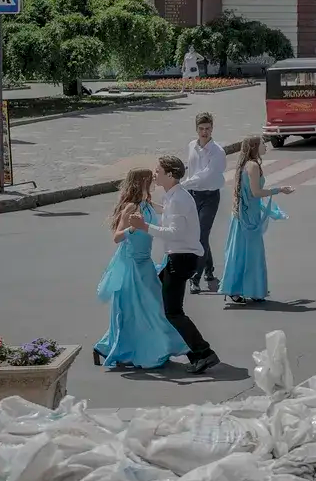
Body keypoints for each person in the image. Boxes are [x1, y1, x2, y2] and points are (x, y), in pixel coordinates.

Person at [93, 169, 188, 372]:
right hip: (133, 264)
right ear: (141, 183)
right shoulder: (131, 207)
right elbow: (117, 237)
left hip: (145, 262)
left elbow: (168, 210)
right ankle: (128, 347)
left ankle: (110, 346)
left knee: (151, 307)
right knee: (143, 308)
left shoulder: (148, 204)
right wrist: (132, 229)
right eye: (150, 179)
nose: (154, 181)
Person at [145, 154, 220, 375]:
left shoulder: (177, 198)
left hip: (182, 258)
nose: (155, 173)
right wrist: (153, 207)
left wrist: (144, 226)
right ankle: (186, 350)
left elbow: (174, 232)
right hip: (178, 257)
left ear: (170, 174)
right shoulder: (173, 196)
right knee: (160, 301)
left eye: (158, 170)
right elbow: (170, 214)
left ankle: (204, 353)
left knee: (173, 311)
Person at [220, 136, 293, 306]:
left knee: (241, 252)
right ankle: (245, 289)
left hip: (244, 213)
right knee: (250, 253)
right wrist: (279, 190)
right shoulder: (252, 166)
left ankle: (243, 290)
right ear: (255, 147)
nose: (265, 147)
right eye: (262, 144)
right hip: (248, 217)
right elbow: (256, 192)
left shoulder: (247, 165)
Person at [182, 112, 226, 295]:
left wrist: (182, 185)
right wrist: (185, 188)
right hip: (193, 195)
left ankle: (195, 277)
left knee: (200, 235)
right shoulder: (191, 146)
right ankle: (209, 269)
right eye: (201, 129)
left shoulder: (218, 152)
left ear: (212, 129)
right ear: (196, 129)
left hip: (209, 196)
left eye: (207, 129)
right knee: (199, 234)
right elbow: (191, 170)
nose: (204, 132)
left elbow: (206, 174)